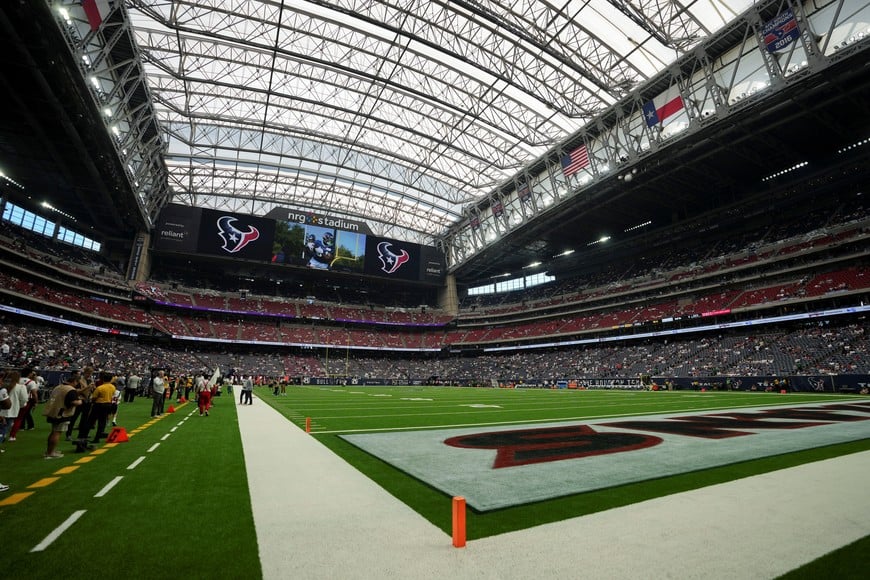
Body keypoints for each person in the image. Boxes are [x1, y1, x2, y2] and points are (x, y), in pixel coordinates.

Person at [43, 372, 83, 458]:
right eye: (77, 382)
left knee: (53, 431)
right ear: (74, 381)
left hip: (53, 411)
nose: (77, 385)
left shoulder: (58, 387)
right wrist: (80, 401)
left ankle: (50, 450)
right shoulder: (70, 389)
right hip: (62, 413)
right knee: (57, 432)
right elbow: (74, 402)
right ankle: (50, 453)